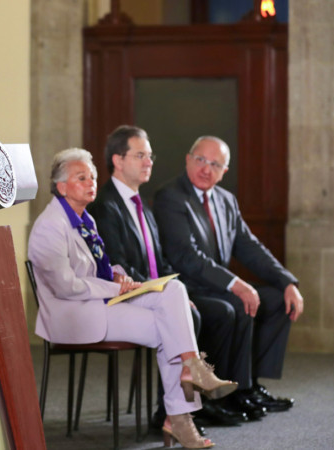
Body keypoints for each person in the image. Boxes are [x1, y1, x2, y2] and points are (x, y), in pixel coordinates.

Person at [29, 148, 237, 448]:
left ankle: (189, 372)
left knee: (174, 291)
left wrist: (117, 274)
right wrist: (116, 289)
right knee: (170, 327)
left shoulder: (84, 218)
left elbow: (95, 264)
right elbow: (65, 287)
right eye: (81, 178)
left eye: (93, 177)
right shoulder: (49, 227)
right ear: (61, 187)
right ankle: (180, 415)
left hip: (100, 301)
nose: (91, 183)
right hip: (74, 315)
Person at [87, 125, 244, 429]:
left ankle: (199, 405)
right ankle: (170, 411)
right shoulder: (105, 206)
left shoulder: (141, 205)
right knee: (191, 317)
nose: (149, 162)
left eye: (150, 156)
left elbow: (161, 261)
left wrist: (179, 292)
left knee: (221, 312)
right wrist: (169, 296)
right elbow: (117, 267)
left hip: (156, 292)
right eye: (141, 155)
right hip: (124, 298)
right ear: (118, 161)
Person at [154, 136, 303, 421]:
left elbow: (249, 247)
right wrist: (236, 284)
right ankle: (233, 391)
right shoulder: (170, 196)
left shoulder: (225, 200)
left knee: (276, 301)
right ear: (187, 159)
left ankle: (250, 386)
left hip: (217, 285)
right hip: (189, 288)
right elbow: (187, 256)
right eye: (200, 160)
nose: (205, 169)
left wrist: (287, 282)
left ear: (225, 171)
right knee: (239, 304)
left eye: (215, 164)